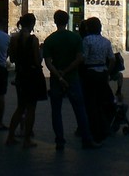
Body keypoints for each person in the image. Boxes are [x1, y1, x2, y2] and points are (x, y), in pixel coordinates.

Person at [43, 9, 99, 151]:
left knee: (56, 111)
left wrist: (59, 75)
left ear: (55, 21)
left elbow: (48, 63)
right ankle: (86, 139)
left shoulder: (50, 40)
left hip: (56, 80)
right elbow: (80, 58)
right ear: (67, 21)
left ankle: (59, 141)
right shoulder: (76, 38)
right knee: (80, 109)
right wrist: (67, 71)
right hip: (73, 78)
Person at [6, 13, 45, 148]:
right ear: (32, 24)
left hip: (20, 74)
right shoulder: (32, 40)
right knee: (31, 108)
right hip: (32, 75)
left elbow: (12, 59)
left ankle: (10, 136)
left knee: (20, 107)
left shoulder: (14, 39)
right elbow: (37, 59)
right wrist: (41, 52)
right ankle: (27, 138)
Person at [81, 16, 115, 144]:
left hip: (90, 72)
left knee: (91, 103)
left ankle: (94, 130)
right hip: (102, 72)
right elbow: (112, 59)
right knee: (102, 101)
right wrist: (108, 72)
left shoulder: (87, 40)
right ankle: (104, 127)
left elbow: (84, 57)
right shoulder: (106, 41)